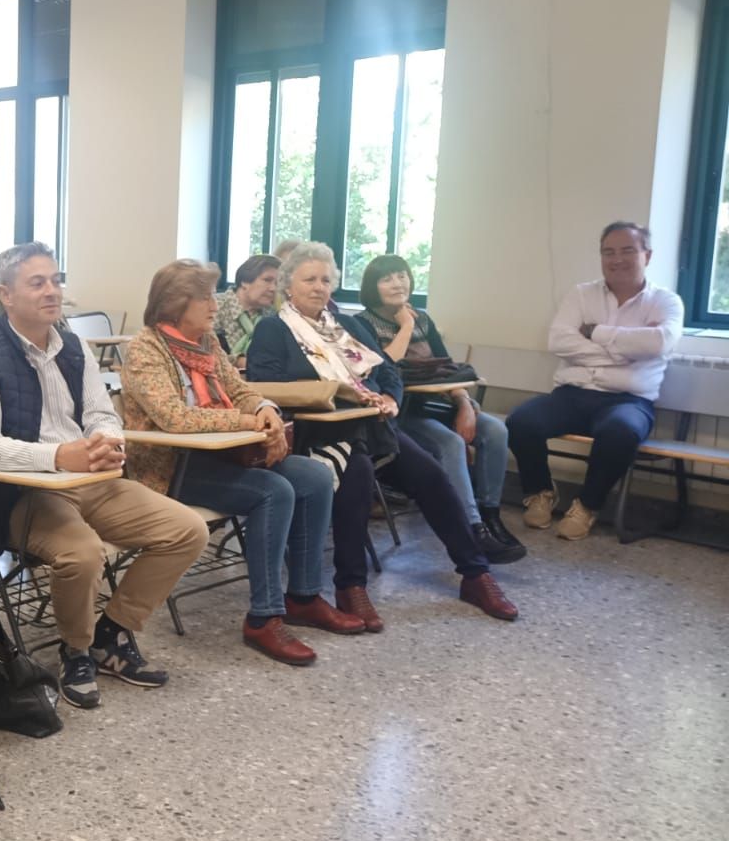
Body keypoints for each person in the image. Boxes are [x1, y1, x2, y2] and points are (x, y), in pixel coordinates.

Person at [0, 242, 207, 710]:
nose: (52, 291)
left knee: (186, 529)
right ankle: (76, 649)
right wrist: (56, 456)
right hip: (21, 494)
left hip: (89, 480)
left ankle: (112, 631)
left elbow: (98, 411)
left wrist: (107, 439)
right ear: (5, 295)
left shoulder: (72, 346)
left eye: (55, 279)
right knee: (83, 554)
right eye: (37, 283)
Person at [247, 243, 519, 630]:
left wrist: (391, 398)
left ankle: (475, 575)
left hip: (372, 427)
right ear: (288, 285)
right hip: (320, 431)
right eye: (309, 279)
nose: (319, 287)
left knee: (432, 475)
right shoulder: (273, 329)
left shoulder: (350, 326)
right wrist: (337, 388)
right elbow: (267, 384)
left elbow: (388, 371)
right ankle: (350, 586)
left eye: (326, 280)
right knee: (356, 477)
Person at [121, 261, 366, 666]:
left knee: (316, 476)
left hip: (226, 453)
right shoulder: (146, 348)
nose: (214, 305)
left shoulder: (207, 344)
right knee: (273, 491)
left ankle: (303, 596)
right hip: (173, 467)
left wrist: (266, 409)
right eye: (203, 298)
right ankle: (264, 617)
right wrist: (248, 420)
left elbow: (240, 389)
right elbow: (174, 418)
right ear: (174, 304)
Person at [506, 222, 684, 540]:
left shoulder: (666, 302)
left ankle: (587, 506)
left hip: (629, 400)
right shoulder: (581, 294)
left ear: (648, 255)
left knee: (621, 432)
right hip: (572, 394)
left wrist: (596, 332)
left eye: (627, 250)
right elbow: (559, 342)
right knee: (522, 421)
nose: (617, 259)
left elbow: (658, 344)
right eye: (608, 252)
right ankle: (540, 492)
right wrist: (625, 352)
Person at [356, 254, 524, 562]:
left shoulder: (424, 318)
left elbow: (448, 369)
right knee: (450, 442)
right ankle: (471, 528)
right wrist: (405, 326)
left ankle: (491, 515)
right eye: (387, 278)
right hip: (402, 413)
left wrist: (465, 404)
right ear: (372, 286)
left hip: (439, 402)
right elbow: (382, 367)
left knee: (496, 430)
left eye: (402, 275)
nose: (398, 283)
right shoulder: (362, 323)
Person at [213, 253, 280, 366]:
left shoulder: (273, 315)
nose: (273, 288)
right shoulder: (214, 306)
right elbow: (200, 353)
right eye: (267, 280)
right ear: (245, 282)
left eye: (277, 283)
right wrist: (239, 361)